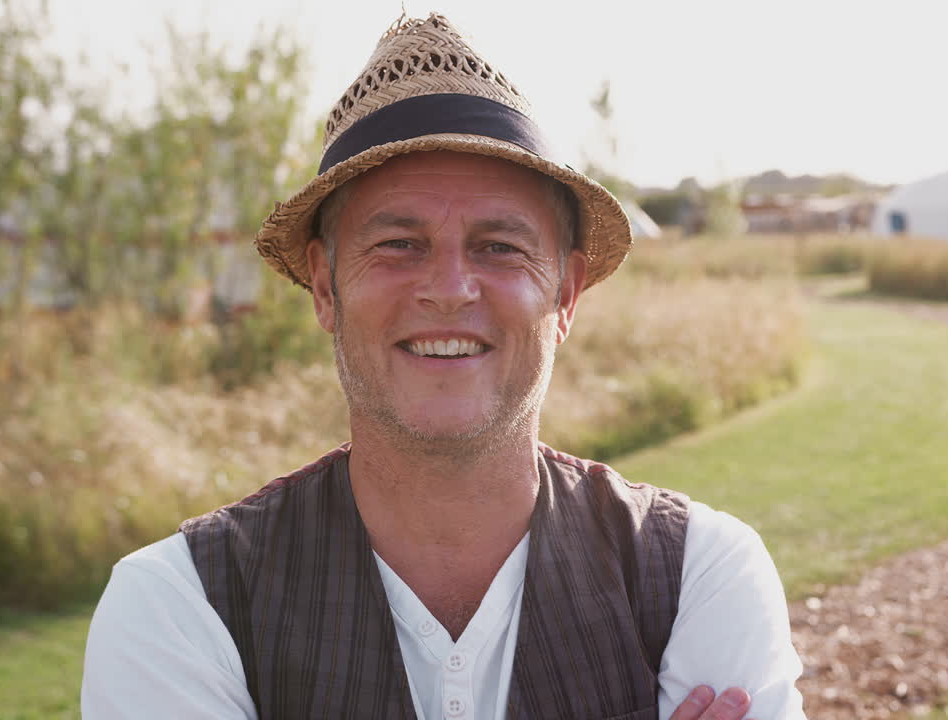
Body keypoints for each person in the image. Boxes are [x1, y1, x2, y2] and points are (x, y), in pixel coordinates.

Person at [82, 12, 805, 720]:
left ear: (566, 294)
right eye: (399, 243)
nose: (450, 289)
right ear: (327, 289)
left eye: (500, 246)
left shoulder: (696, 575)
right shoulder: (182, 603)